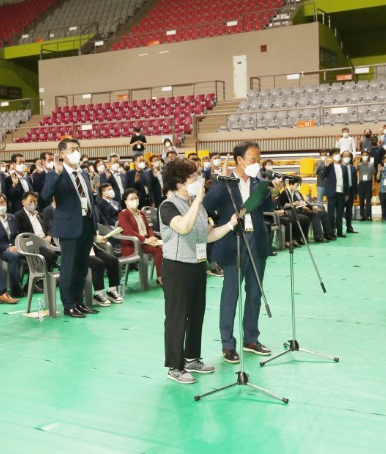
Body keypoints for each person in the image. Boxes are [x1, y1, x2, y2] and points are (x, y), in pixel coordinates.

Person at [158, 158, 239, 384]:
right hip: (177, 267)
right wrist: (198, 201)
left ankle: (192, 358)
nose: (197, 180)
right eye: (192, 177)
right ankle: (175, 366)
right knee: (177, 317)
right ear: (179, 183)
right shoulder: (168, 206)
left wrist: (230, 224)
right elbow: (183, 227)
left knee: (196, 314)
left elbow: (208, 235)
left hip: (196, 265)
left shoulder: (197, 204)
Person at [203, 141, 282, 363]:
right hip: (233, 242)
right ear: (240, 160)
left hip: (257, 241)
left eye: (258, 159)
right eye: (253, 159)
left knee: (255, 293)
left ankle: (251, 339)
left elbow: (267, 207)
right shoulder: (225, 183)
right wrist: (220, 180)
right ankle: (227, 344)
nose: (257, 163)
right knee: (231, 294)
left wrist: (275, 194)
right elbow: (207, 205)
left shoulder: (259, 182)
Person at [41, 138, 103, 318]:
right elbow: (45, 195)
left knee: (82, 267)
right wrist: (57, 173)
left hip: (86, 223)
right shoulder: (55, 174)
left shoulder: (83, 173)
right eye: (72, 149)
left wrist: (94, 227)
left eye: (78, 148)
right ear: (62, 153)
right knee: (69, 267)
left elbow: (89, 200)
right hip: (69, 226)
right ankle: (68, 305)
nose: (76, 152)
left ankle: (79, 302)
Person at [119, 188, 163, 284]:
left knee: (165, 247)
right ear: (126, 201)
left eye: (136, 198)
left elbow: (148, 228)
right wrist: (147, 240)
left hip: (146, 242)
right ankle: (161, 278)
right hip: (133, 244)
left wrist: (151, 237)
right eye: (131, 199)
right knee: (159, 249)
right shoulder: (123, 215)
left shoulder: (141, 213)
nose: (135, 200)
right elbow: (129, 232)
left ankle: (167, 275)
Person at [14, 190, 58, 272]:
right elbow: (21, 234)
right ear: (23, 202)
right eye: (30, 201)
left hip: (46, 242)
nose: (33, 203)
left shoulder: (40, 215)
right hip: (32, 244)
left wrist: (49, 236)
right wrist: (38, 240)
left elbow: (50, 228)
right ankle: (44, 276)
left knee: (65, 247)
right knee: (50, 254)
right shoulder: (18, 216)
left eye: (35, 201)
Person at [323, 148, 348, 238]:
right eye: (334, 154)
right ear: (331, 156)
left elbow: (346, 181)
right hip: (332, 193)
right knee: (331, 213)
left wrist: (347, 194)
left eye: (338, 153)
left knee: (340, 213)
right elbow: (322, 177)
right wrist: (325, 167)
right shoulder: (329, 166)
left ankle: (340, 231)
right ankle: (331, 231)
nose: (337, 155)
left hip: (341, 193)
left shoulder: (344, 167)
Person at [341, 151, 358, 234]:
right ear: (341, 157)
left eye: (348, 156)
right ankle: (338, 228)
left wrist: (355, 192)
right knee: (340, 210)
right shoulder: (339, 167)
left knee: (349, 210)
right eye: (345, 156)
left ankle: (349, 227)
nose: (346, 158)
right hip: (342, 191)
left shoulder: (353, 168)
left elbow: (355, 180)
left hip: (351, 190)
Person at [356, 151, 375, 221]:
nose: (365, 156)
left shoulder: (371, 165)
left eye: (366, 155)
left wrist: (373, 184)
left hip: (368, 183)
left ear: (368, 156)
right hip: (361, 184)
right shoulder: (359, 165)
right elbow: (355, 171)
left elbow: (373, 175)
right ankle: (362, 216)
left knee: (368, 201)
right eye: (363, 155)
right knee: (361, 201)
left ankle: (368, 216)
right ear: (361, 156)